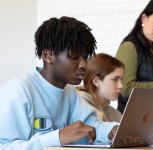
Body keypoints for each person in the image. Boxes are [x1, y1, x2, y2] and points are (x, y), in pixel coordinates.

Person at [0, 16, 118, 150]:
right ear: (48, 55)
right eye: (74, 56)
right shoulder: (19, 91)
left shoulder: (69, 92)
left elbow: (91, 127)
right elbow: (5, 147)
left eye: (85, 57)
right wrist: (58, 137)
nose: (84, 64)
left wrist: (112, 130)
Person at [77, 53, 153, 139]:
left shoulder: (114, 113)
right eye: (115, 79)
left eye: (121, 79)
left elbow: (125, 141)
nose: (121, 85)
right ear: (96, 81)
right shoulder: (79, 104)